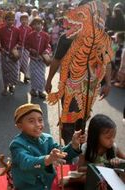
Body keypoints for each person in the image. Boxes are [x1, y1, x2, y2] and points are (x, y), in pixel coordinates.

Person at [45, 0, 112, 145]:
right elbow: (56, 60)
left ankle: (77, 146)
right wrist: (49, 80)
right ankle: (71, 149)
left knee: (83, 119)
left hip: (91, 86)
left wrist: (108, 83)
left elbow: (106, 61)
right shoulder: (68, 37)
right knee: (69, 119)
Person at [10, 103, 85, 190]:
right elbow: (26, 163)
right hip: (28, 186)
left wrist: (74, 144)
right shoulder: (17, 144)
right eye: (31, 121)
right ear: (20, 126)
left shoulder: (47, 138)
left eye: (40, 120)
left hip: (47, 184)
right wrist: (48, 159)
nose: (38, 124)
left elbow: (61, 154)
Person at [25, 17, 51, 99]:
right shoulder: (30, 35)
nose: (37, 26)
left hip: (41, 60)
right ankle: (33, 89)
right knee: (33, 75)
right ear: (32, 25)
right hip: (33, 59)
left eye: (39, 24)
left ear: (42, 25)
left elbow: (48, 46)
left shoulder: (46, 35)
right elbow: (26, 45)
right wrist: (31, 49)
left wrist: (46, 52)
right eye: (35, 24)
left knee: (41, 75)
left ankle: (40, 91)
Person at [0, 12, 20, 96]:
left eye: (12, 19)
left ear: (14, 20)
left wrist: (15, 48)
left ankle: (11, 85)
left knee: (14, 71)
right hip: (4, 54)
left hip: (13, 55)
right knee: (5, 72)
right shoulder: (0, 30)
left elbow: (20, 41)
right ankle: (5, 87)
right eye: (8, 20)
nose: (10, 21)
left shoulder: (17, 30)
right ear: (5, 20)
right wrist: (1, 49)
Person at [18, 12, 32, 84]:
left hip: (26, 49)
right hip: (19, 49)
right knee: (18, 62)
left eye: (25, 19)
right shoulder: (18, 29)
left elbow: (31, 39)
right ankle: (18, 76)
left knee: (25, 62)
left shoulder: (30, 29)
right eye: (22, 19)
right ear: (20, 21)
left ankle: (26, 77)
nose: (24, 21)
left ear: (28, 20)